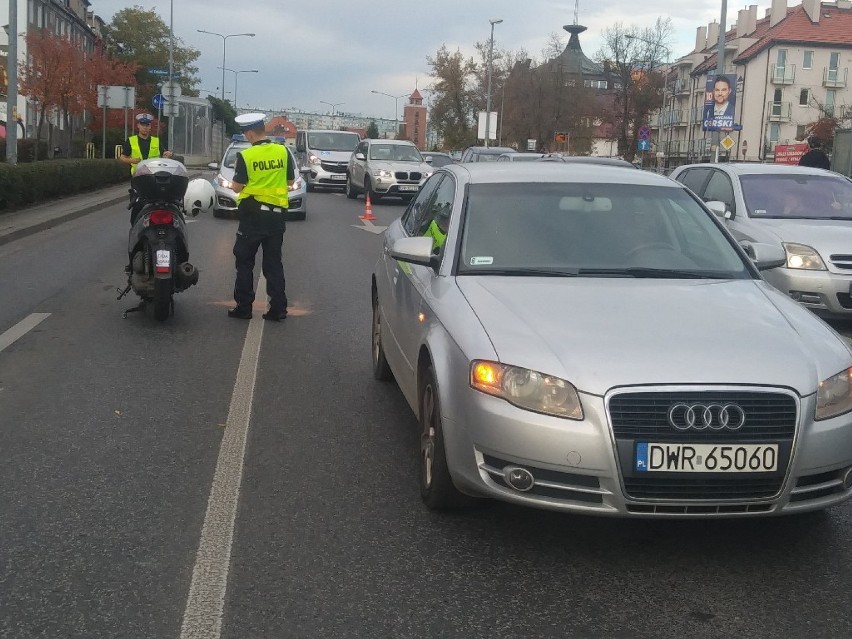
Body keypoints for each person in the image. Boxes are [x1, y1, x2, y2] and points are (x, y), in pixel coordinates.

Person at [228, 113, 295, 322]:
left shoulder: (246, 156)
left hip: (252, 217)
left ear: (249, 133)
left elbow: (237, 186)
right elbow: (291, 181)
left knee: (245, 262)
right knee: (274, 263)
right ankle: (278, 309)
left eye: (245, 133)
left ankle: (244, 308)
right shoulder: (282, 151)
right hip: (276, 218)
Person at [119, 113, 173, 224]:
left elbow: (164, 154)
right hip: (138, 178)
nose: (145, 127)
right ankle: (135, 226)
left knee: (160, 200)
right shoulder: (131, 140)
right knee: (138, 203)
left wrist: (167, 154)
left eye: (147, 125)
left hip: (155, 177)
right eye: (143, 124)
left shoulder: (156, 141)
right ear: (138, 126)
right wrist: (130, 160)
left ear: (150, 127)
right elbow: (122, 157)